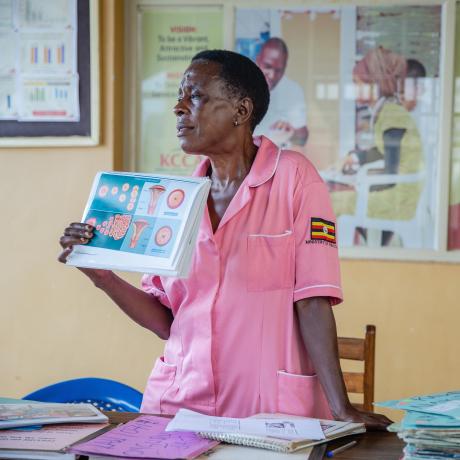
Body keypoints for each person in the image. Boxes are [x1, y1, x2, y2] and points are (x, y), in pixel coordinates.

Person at [59, 49, 390, 429]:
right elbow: (167, 320)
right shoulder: (174, 200)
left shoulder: (294, 179)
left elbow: (313, 301)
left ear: (241, 110)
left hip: (268, 414)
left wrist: (340, 407)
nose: (179, 108)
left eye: (195, 95)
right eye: (180, 97)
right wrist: (102, 276)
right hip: (179, 407)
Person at [332, 47, 424, 246]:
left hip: (398, 199)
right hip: (401, 194)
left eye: (357, 83)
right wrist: (356, 158)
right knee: (341, 197)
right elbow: (385, 151)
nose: (353, 88)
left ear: (373, 84)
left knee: (332, 201)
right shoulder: (388, 110)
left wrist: (360, 180)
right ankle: (377, 244)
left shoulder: (391, 113)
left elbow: (391, 172)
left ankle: (326, 259)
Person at [253, 37, 309, 148]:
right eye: (268, 67)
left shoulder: (293, 90)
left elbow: (302, 139)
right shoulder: (241, 84)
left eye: (278, 70)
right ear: (258, 60)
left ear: (284, 68)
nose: (272, 75)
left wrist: (291, 132)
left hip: (276, 160)